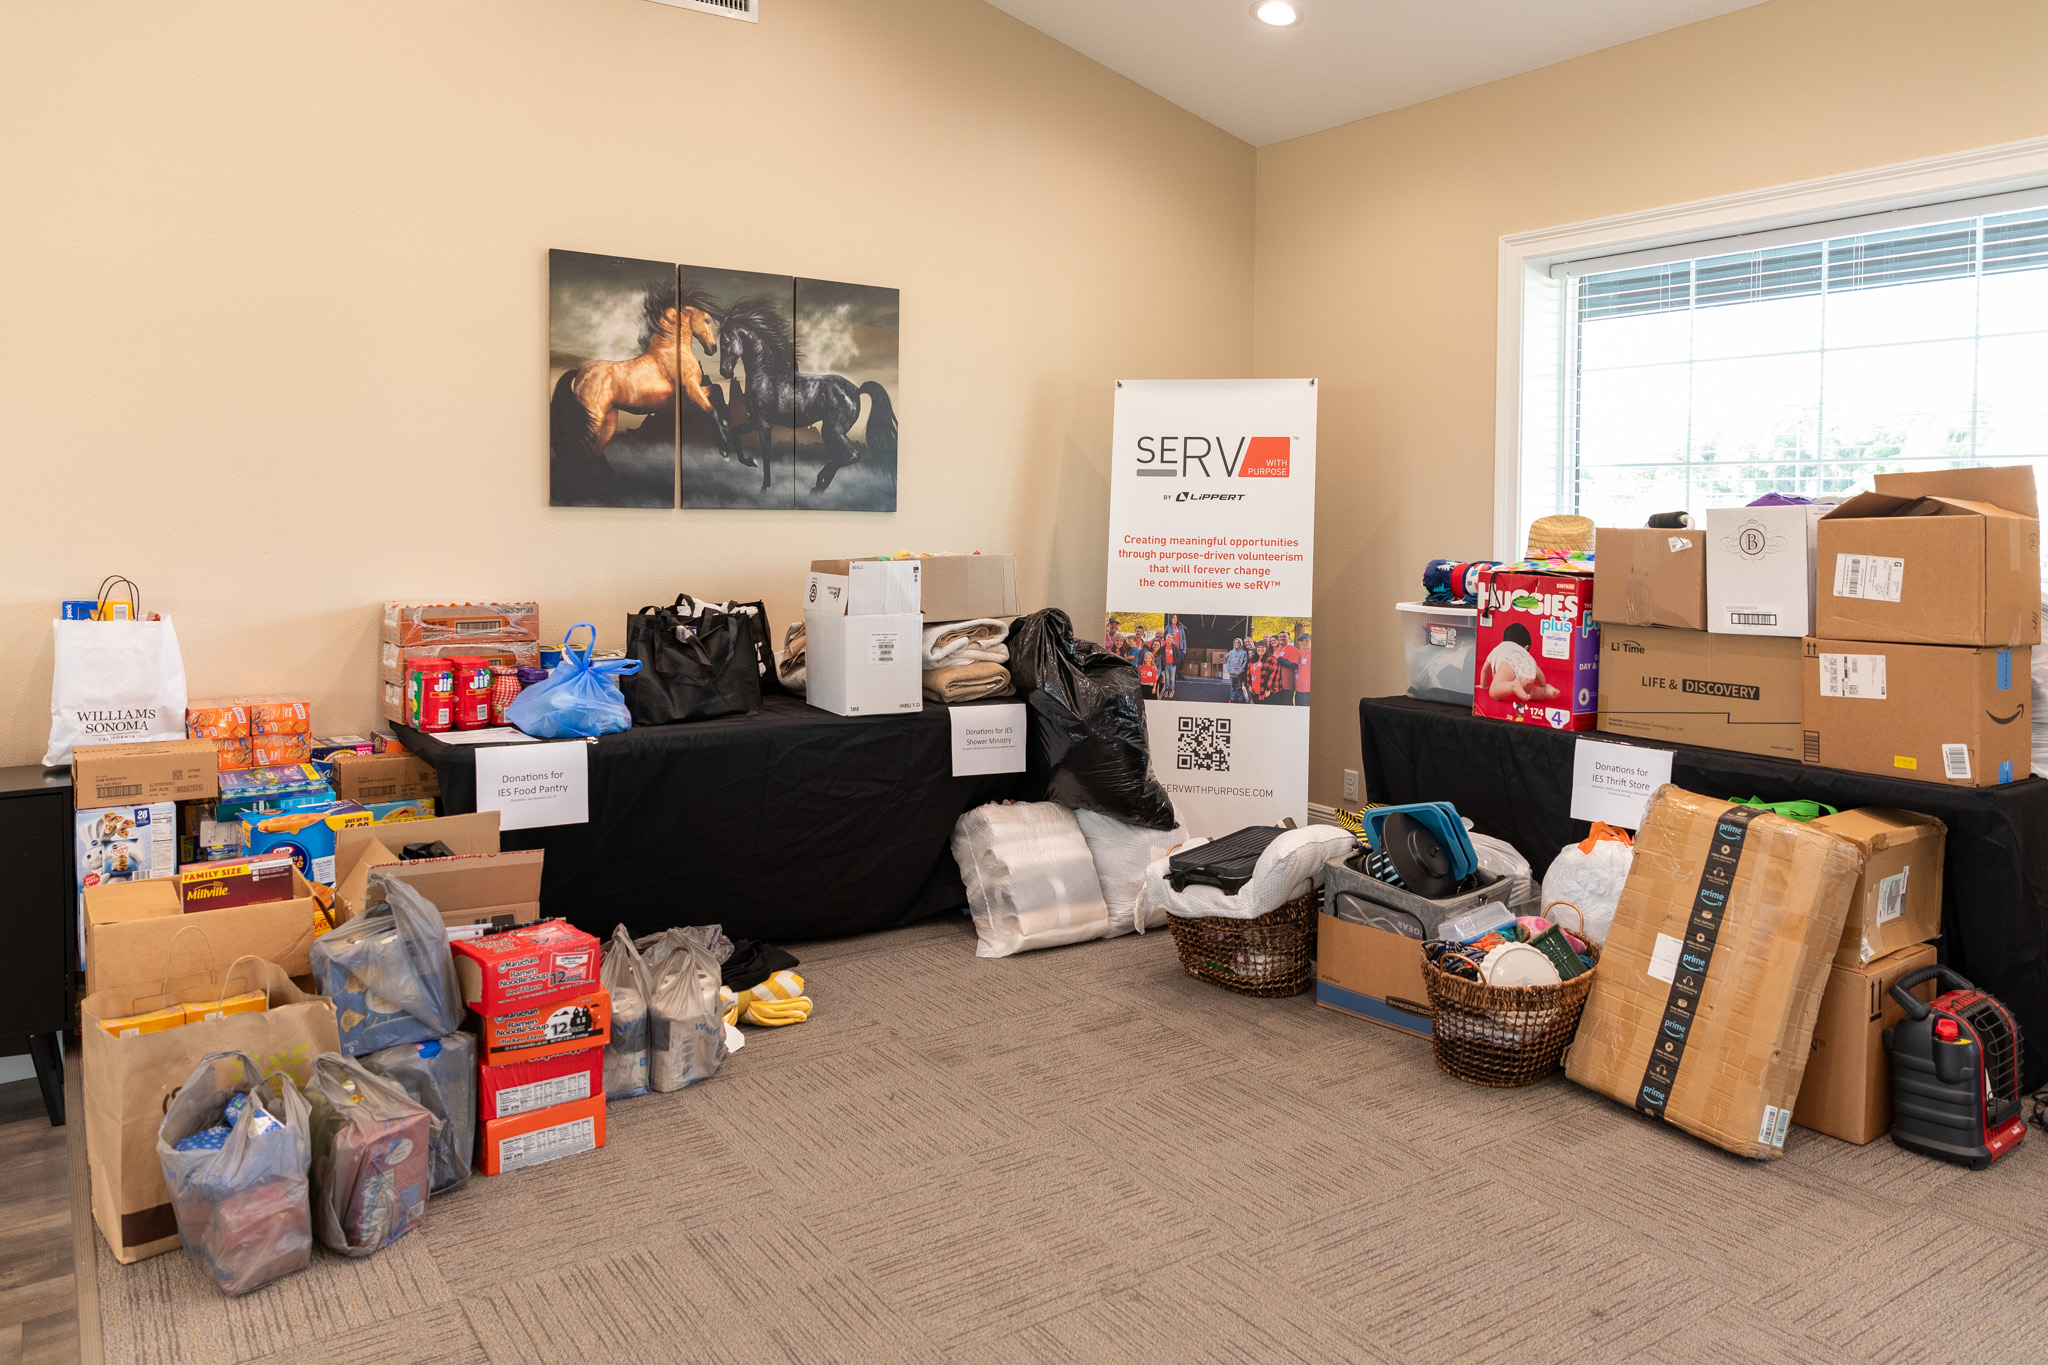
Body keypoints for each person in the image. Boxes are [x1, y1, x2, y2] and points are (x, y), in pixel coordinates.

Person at [1482, 622, 1560, 704]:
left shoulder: (1499, 648)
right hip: (1528, 663)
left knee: (1494, 692)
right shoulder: (1527, 655)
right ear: (1526, 648)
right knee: (1530, 692)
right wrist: (1543, 686)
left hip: (1509, 661)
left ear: (1502, 641)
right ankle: (1544, 691)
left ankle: (1513, 686)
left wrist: (1484, 685)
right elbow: (1539, 674)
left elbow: (1485, 669)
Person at [1275, 631, 1300, 706]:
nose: (1281, 638)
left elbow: (1293, 666)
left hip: (1287, 685)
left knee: (1286, 706)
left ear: (1289, 638)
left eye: (1284, 636)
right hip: (1276, 684)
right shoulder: (1277, 649)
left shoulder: (1293, 649)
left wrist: (1279, 659)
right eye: (1280, 637)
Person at [1224, 637, 1249, 703]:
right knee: (1232, 687)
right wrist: (1229, 669)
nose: (1236, 644)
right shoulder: (1231, 652)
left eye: (1238, 642)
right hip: (1232, 673)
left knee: (1239, 687)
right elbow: (1228, 661)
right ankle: (1232, 698)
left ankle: (1241, 699)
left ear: (1241, 643)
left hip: (1239, 674)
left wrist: (1241, 670)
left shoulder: (1244, 653)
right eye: (1235, 642)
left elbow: (1245, 661)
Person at [1292, 630, 1311, 707]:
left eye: (1306, 640)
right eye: (1302, 641)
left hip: (1307, 691)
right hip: (1298, 689)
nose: (1304, 643)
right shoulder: (1301, 653)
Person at [1160, 628, 1179, 699]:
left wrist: (1175, 662)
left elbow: (1178, 656)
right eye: (1168, 637)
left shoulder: (1175, 647)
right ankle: (1167, 689)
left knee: (1172, 678)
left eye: (1171, 638)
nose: (1169, 639)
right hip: (1166, 665)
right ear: (1165, 638)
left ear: (1173, 639)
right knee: (1167, 678)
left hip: (1172, 665)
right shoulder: (1163, 647)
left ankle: (1172, 690)